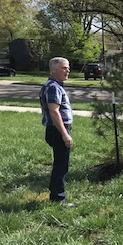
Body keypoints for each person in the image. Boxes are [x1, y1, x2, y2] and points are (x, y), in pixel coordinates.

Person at [39, 57, 75, 207]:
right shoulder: (53, 87)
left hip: (57, 130)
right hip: (58, 131)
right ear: (54, 70)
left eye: (68, 68)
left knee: (60, 164)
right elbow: (54, 112)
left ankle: (56, 192)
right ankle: (58, 198)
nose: (68, 71)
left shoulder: (54, 86)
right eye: (64, 68)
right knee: (61, 165)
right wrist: (65, 134)